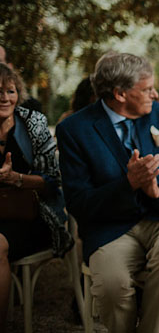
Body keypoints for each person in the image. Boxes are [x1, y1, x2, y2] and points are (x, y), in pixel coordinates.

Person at [56, 52, 159, 332]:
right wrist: (128, 184)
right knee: (111, 285)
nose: (155, 94)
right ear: (120, 94)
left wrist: (156, 189)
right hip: (110, 227)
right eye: (146, 89)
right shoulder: (74, 129)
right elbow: (78, 202)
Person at [0, 64, 75, 330]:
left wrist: (16, 180)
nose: (4, 98)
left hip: (34, 215)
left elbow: (54, 181)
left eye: (10, 91)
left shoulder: (33, 123)